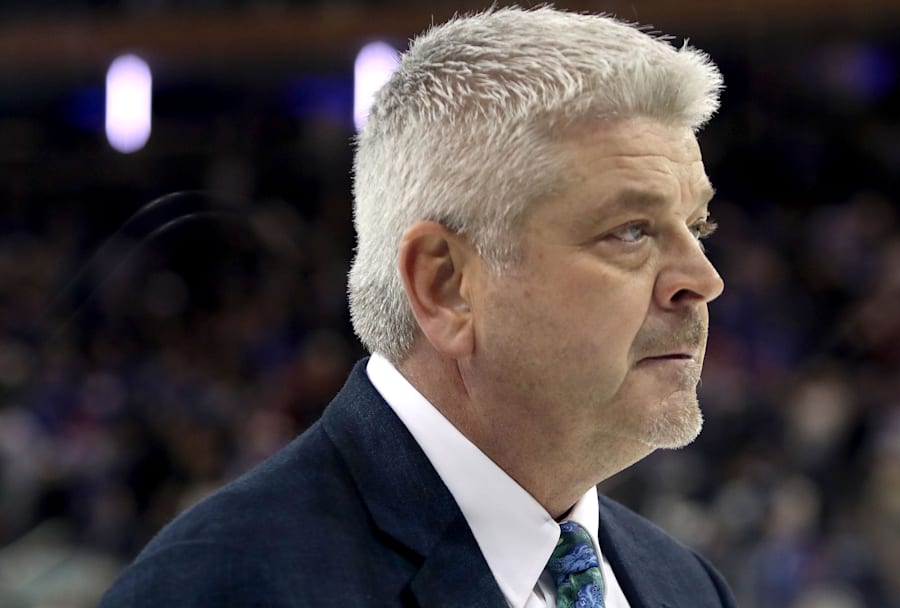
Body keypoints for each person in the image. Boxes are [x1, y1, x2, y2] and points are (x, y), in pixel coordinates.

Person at [100, 6, 735, 607]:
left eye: (696, 226)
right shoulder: (223, 587)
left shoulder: (685, 585)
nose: (702, 279)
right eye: (631, 231)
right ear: (447, 286)